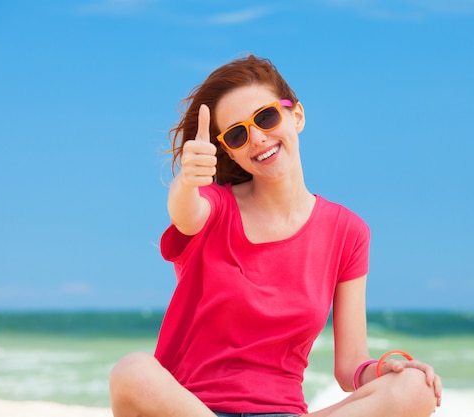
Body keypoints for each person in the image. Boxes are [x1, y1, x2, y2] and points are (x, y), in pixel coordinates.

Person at [109, 54, 442, 417]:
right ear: (229, 153)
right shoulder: (214, 206)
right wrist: (187, 179)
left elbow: (350, 368)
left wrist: (385, 370)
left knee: (416, 389)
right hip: (192, 410)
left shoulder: (348, 232)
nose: (257, 138)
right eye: (237, 134)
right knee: (133, 371)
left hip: (283, 412)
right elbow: (185, 214)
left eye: (266, 117)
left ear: (296, 115)